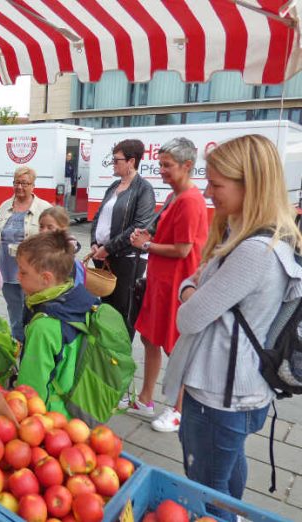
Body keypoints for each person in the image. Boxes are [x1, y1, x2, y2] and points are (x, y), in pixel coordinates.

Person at [162, 135, 302, 520]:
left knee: (208, 490)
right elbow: (197, 280)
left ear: (250, 185)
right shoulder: (273, 236)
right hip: (246, 389)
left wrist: (192, 290)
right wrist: (196, 287)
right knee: (228, 469)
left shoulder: (253, 251)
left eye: (217, 184)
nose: (208, 192)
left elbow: (187, 318)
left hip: (218, 395)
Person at [124, 138, 208, 432]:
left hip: (176, 284)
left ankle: (179, 409)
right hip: (161, 281)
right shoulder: (175, 197)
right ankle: (146, 398)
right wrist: (147, 239)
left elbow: (183, 249)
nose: (161, 170)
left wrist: (149, 245)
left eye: (167, 165)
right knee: (149, 338)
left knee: (175, 346)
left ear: (187, 166)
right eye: (160, 164)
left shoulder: (189, 200)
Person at [16, 231, 99, 417]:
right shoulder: (82, 299)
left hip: (49, 417)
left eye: (23, 272)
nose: (17, 276)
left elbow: (31, 389)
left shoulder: (43, 327)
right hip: (75, 409)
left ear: (46, 278)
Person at [90, 139, 156, 337]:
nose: (113, 163)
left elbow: (139, 226)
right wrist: (94, 242)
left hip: (127, 260)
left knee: (122, 312)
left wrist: (108, 248)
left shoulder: (144, 189)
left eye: (117, 160)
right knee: (106, 309)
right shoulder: (113, 186)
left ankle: (120, 355)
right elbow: (98, 217)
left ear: (131, 161)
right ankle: (105, 353)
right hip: (102, 256)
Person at [0, 166, 52, 341]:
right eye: (16, 182)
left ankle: (33, 345)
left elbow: (55, 237)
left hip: (33, 270)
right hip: (7, 270)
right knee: (15, 312)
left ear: (33, 186)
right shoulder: (4, 206)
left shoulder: (43, 208)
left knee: (33, 311)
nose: (20, 187)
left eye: (25, 183)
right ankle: (18, 345)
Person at [39, 206, 85, 285]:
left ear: (63, 228)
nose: (44, 231)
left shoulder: (64, 253)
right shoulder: (41, 245)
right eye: (41, 226)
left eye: (50, 227)